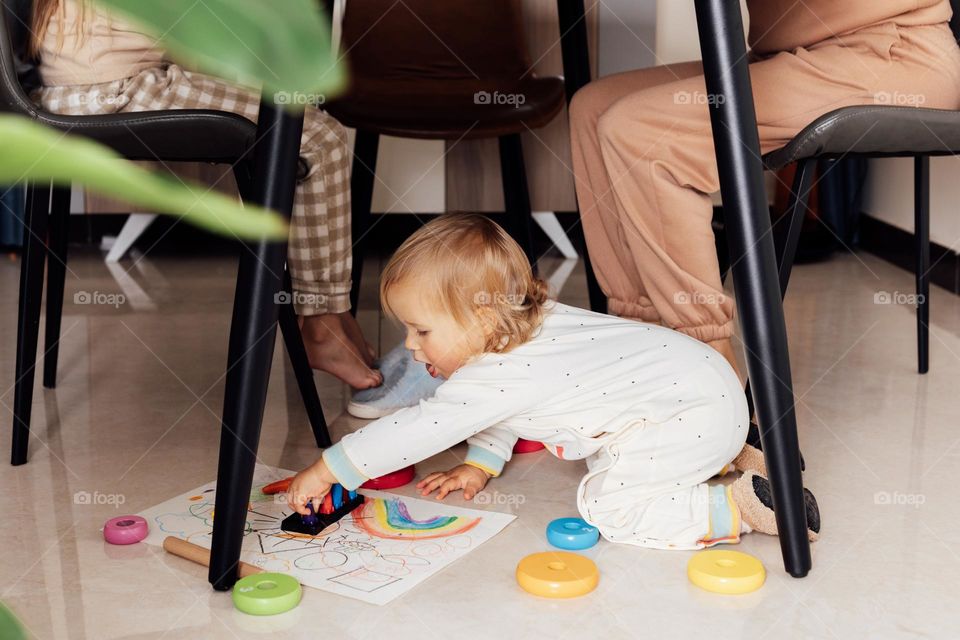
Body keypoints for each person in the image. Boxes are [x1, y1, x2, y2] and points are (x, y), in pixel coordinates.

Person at [288, 214, 820, 550]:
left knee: (611, 504)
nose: (410, 345)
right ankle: (747, 448)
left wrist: (329, 467)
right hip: (708, 388)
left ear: (482, 319)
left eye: (422, 329)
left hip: (687, 415)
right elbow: (495, 406)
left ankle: (745, 507)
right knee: (652, 442)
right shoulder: (525, 323)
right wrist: (480, 463)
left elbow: (420, 428)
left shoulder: (499, 369)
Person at [569, 0, 960, 380]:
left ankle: (709, 368)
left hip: (891, 54)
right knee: (593, 108)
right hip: (797, 55)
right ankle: (641, 335)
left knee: (639, 132)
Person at [30, 0, 382, 389]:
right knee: (320, 137)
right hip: (119, 91)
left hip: (61, 95)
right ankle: (322, 324)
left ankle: (334, 311)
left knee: (293, 119)